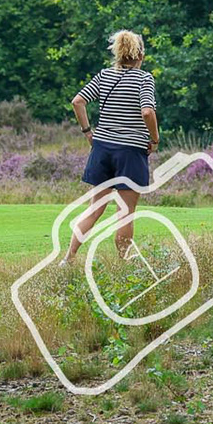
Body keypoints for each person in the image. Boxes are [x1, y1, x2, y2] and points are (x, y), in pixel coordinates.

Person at [64, 30, 160, 262]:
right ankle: (122, 264)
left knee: (94, 209)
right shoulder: (144, 79)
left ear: (118, 53)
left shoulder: (104, 75)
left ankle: (68, 258)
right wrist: (155, 139)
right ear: (141, 55)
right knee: (125, 214)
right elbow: (147, 111)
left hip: (103, 149)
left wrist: (88, 132)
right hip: (130, 153)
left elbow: (78, 101)